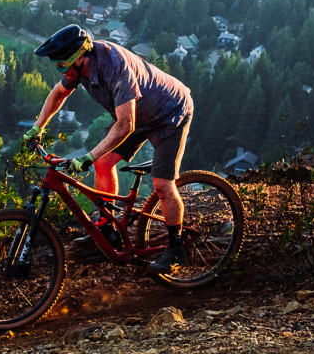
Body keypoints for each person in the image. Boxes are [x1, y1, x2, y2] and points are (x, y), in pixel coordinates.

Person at [23, 24, 194, 274]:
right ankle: (107, 229)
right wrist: (37, 127)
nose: (61, 70)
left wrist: (88, 157)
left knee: (161, 184)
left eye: (62, 65)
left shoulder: (114, 65)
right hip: (136, 115)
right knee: (103, 164)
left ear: (79, 58)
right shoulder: (78, 68)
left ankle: (177, 249)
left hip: (170, 112)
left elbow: (125, 124)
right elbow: (59, 94)